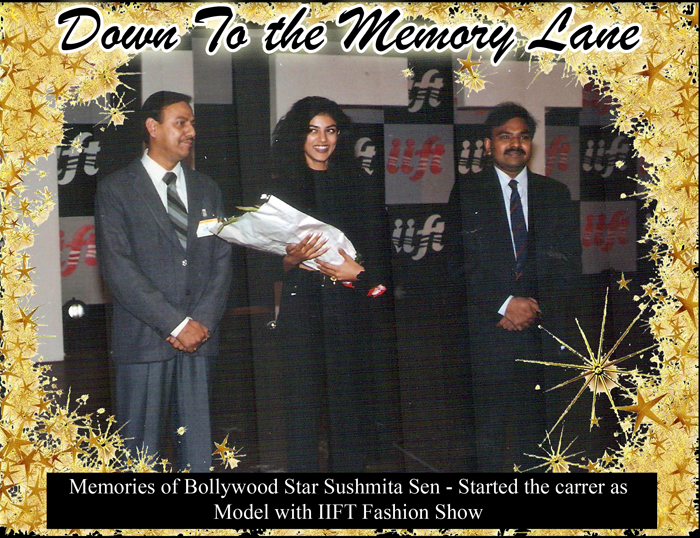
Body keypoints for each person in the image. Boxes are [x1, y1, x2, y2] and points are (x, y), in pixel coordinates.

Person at [95, 90, 232, 472]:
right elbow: (119, 269)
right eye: (181, 123)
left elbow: (221, 260)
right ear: (153, 128)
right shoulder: (116, 189)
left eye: (192, 124)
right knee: (140, 457)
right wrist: (176, 324)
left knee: (199, 457)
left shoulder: (207, 188)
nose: (191, 132)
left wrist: (200, 323)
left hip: (200, 342)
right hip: (144, 344)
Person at [444, 102, 581, 472]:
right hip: (487, 334)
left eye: (522, 137)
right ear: (489, 145)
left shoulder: (555, 193)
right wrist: (505, 304)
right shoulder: (467, 193)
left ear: (531, 144)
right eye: (505, 137)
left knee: (540, 442)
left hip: (541, 333)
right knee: (484, 440)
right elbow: (455, 264)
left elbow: (569, 264)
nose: (515, 144)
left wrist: (532, 308)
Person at [267, 96, 392, 472]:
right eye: (313, 130)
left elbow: (381, 255)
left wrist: (359, 273)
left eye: (331, 130)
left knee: (348, 410)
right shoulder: (280, 186)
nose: (323, 139)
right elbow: (263, 260)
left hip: (348, 309)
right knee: (301, 412)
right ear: (298, 135)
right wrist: (290, 260)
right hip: (302, 309)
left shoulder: (359, 183)